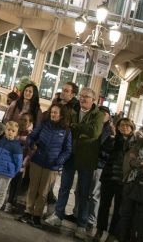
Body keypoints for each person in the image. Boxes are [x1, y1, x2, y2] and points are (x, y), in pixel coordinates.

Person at [44, 87, 104, 240]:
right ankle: (58, 215)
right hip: (70, 155)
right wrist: (80, 130)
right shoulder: (73, 111)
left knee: (84, 193)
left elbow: (94, 133)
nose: (83, 99)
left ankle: (81, 225)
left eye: (87, 97)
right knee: (64, 187)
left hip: (87, 159)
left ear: (93, 100)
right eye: (82, 96)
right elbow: (66, 126)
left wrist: (75, 128)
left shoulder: (98, 115)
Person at [19, 103, 73, 228]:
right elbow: (31, 137)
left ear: (62, 115)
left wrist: (59, 161)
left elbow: (67, 150)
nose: (53, 114)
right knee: (32, 188)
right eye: (52, 112)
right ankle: (27, 212)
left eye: (56, 113)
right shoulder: (43, 124)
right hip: (37, 160)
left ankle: (37, 216)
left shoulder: (66, 131)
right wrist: (32, 144)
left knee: (43, 192)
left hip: (52, 166)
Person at [95, 117, 136, 242]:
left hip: (123, 180)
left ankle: (112, 234)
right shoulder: (112, 139)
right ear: (118, 127)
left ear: (132, 128)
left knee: (118, 209)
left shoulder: (135, 143)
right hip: (109, 177)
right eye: (122, 125)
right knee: (104, 206)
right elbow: (102, 152)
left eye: (127, 126)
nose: (124, 128)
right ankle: (99, 230)